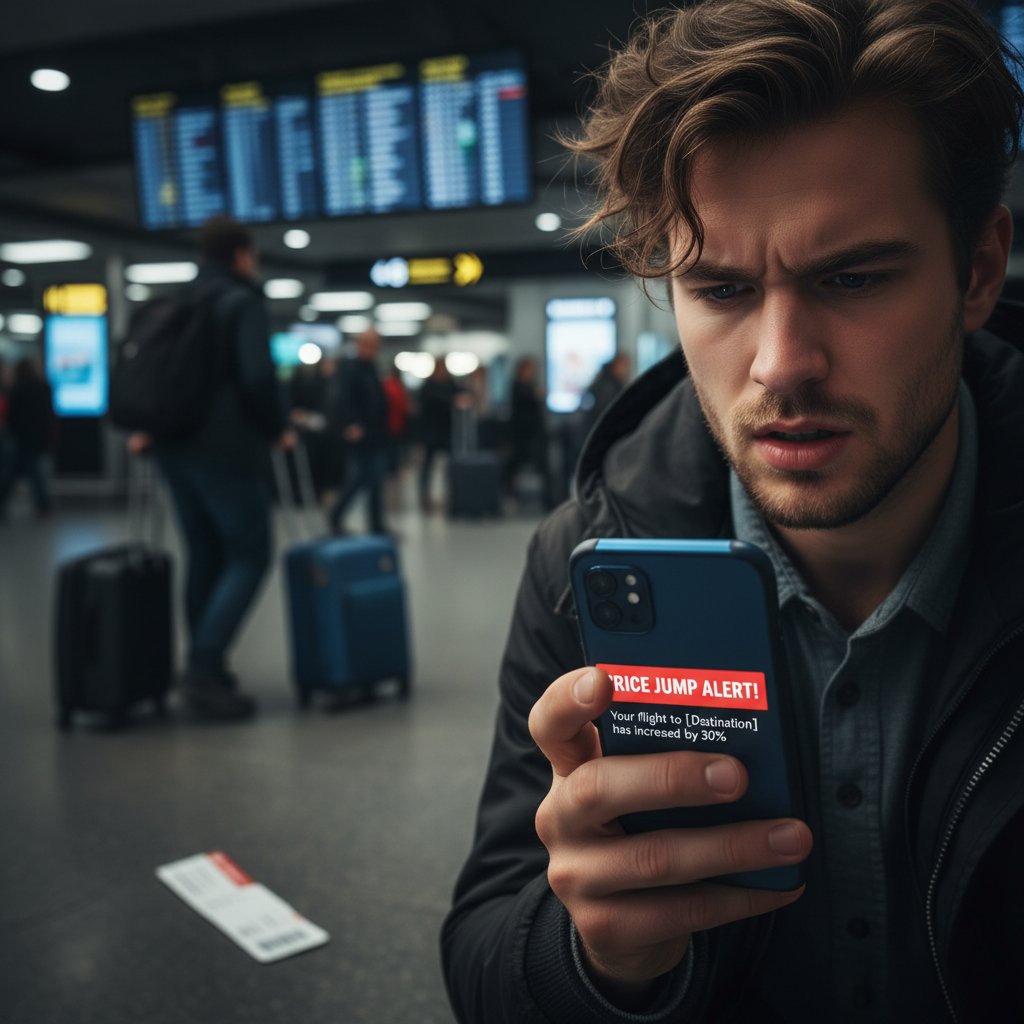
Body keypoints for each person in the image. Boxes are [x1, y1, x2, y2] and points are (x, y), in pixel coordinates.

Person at [442, 1, 1024, 1021]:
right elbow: (485, 951)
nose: (780, 364)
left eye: (851, 277)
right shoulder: (586, 554)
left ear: (976, 271)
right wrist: (598, 960)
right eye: (718, 287)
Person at [140, 215, 292, 721]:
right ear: (242, 254)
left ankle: (207, 665)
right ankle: (204, 667)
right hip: (224, 450)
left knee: (203, 552)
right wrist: (276, 427)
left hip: (172, 446)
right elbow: (256, 376)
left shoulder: (177, 301)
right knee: (250, 553)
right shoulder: (240, 301)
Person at [328, 328, 389, 535]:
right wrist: (350, 424)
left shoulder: (371, 368)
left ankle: (377, 526)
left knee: (375, 482)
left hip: (375, 434)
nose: (372, 348)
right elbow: (342, 399)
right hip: (359, 435)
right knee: (357, 480)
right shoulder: (350, 368)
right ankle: (335, 516)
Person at [0, 357, 54, 519]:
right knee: (37, 474)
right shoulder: (43, 387)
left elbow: (12, 418)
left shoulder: (16, 390)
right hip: (38, 438)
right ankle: (44, 507)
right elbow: (48, 415)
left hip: (21, 439)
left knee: (13, 474)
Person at [417, 359, 461, 512]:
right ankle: (424, 495)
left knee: (450, 465)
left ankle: (453, 494)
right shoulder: (429, 386)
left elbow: (462, 394)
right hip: (431, 432)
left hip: (447, 432)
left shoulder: (451, 384)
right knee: (427, 466)